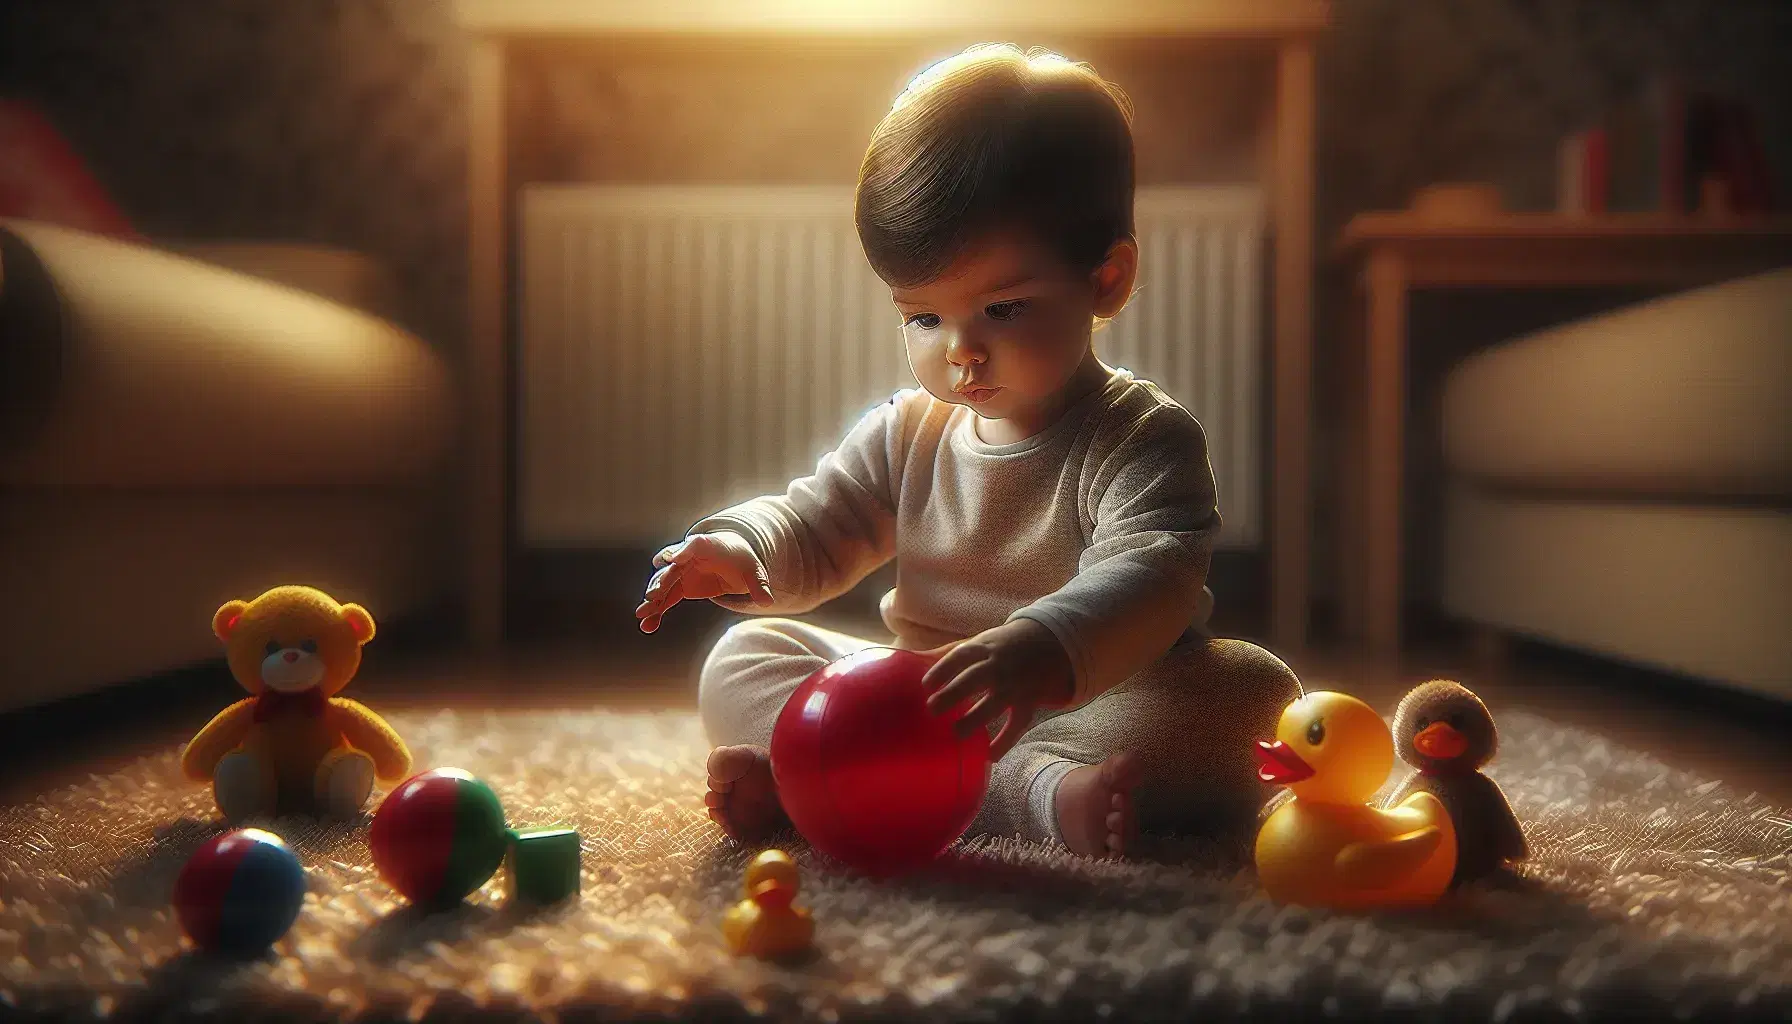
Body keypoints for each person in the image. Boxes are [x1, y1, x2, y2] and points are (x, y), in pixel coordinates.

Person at [635, 43, 1300, 858]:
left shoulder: (1141, 438)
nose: (960, 351)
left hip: (1081, 697)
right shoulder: (907, 431)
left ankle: (836, 781)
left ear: (1107, 280)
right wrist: (746, 548)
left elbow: (1152, 578)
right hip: (923, 693)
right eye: (923, 317)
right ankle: (1020, 798)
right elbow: (818, 520)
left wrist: (1039, 650)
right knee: (745, 657)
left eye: (1003, 309)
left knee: (1252, 697)